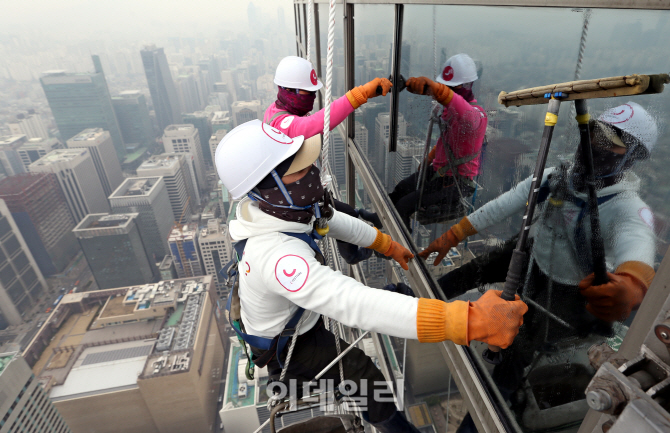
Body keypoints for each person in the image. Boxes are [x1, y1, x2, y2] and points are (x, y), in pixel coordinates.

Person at [215, 120, 528, 433]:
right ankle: (396, 429)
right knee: (363, 374)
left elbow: (335, 221)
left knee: (391, 300)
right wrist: (467, 321)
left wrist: (387, 246)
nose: (311, 171)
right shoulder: (276, 256)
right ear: (266, 186)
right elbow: (354, 303)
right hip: (291, 347)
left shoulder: (282, 207)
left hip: (295, 318)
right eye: (298, 169)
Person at [419, 102, 657, 431]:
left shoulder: (625, 206)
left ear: (629, 158)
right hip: (532, 254)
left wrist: (632, 283)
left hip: (568, 290)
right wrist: (454, 235)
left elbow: (638, 241)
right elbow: (507, 203)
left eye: (609, 146)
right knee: (466, 274)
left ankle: (483, 418)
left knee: (518, 349)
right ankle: (408, 302)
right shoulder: (555, 178)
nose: (593, 149)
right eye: (593, 137)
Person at [264, 55, 391, 264]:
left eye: (314, 91)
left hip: (301, 193)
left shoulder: (276, 109)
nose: (313, 96)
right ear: (289, 91)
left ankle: (360, 219)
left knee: (349, 212)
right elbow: (316, 123)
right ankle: (354, 256)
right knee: (345, 228)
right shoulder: (282, 122)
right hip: (297, 204)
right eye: (308, 91)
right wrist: (361, 94)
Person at [388, 54, 488, 229]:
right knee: (399, 191)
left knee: (405, 205)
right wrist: (430, 158)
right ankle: (376, 220)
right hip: (438, 171)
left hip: (457, 183)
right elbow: (446, 141)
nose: (447, 91)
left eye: (451, 87)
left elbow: (466, 115)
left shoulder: (476, 116)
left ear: (467, 85)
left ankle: (400, 247)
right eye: (445, 86)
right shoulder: (450, 110)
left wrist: (437, 90)